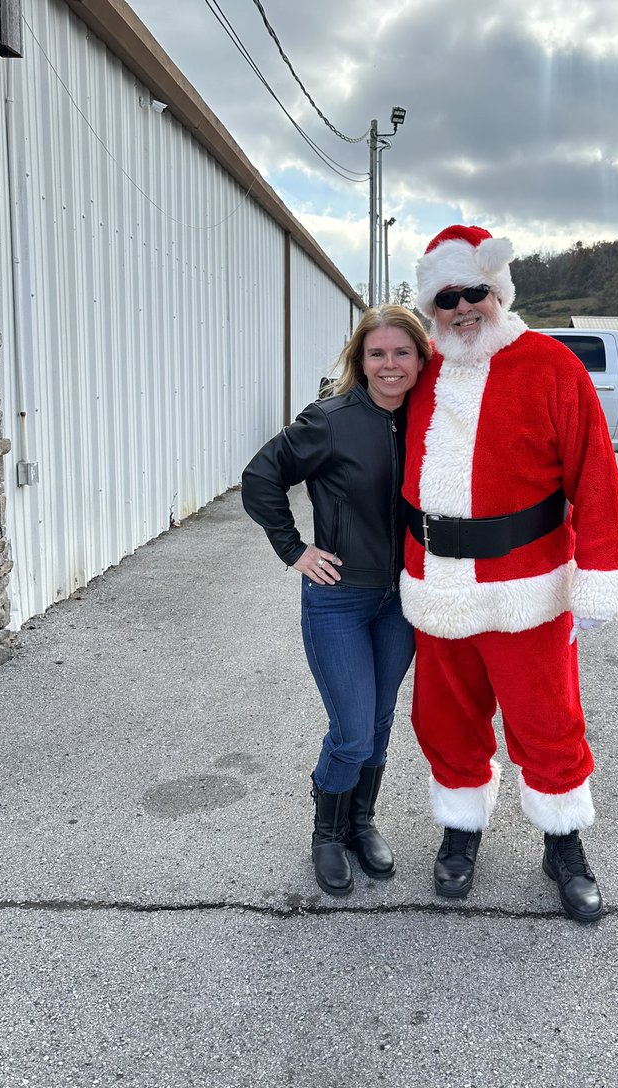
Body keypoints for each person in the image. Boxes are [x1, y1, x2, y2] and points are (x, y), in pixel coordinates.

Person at [400, 225, 618, 925]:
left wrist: (596, 577)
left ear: (498, 292)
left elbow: (596, 476)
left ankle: (564, 844)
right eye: (448, 297)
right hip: (436, 585)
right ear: (431, 304)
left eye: (476, 292)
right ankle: (461, 828)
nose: (463, 307)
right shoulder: (419, 372)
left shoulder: (550, 366)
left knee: (548, 722)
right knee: (444, 718)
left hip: (528, 587)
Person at [241, 305, 431, 897]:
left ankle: (361, 822)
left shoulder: (432, 420)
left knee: (377, 720)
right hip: (340, 600)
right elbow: (261, 477)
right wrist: (294, 549)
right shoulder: (330, 420)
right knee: (351, 728)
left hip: (402, 598)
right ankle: (326, 834)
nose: (390, 365)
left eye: (402, 352)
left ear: (421, 358)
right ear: (360, 360)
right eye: (378, 353)